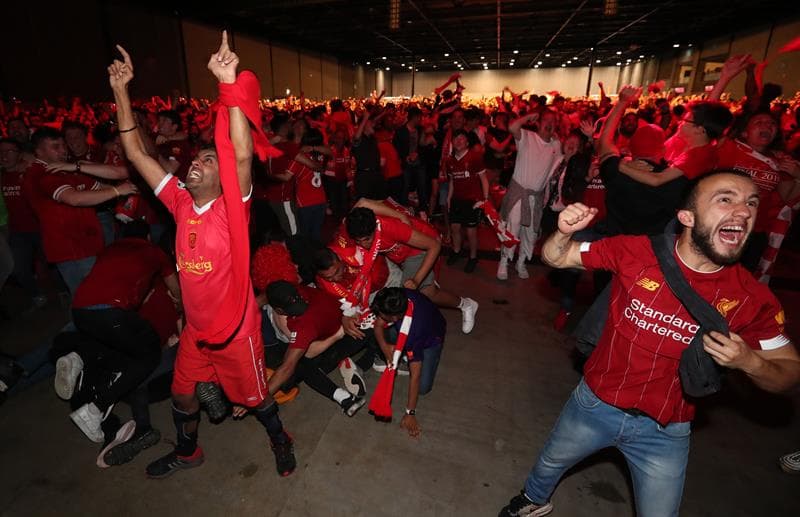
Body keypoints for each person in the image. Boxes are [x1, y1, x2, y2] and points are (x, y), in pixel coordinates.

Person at [499, 171, 800, 517]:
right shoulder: (636, 251)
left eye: (751, 203)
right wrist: (563, 233)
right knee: (550, 461)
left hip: (665, 432)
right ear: (687, 216)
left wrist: (751, 362)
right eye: (725, 199)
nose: (743, 211)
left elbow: (790, 372)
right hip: (594, 404)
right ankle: (533, 499)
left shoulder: (751, 297)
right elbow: (557, 257)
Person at [108, 32, 296, 478]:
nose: (197, 161)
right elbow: (135, 152)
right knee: (181, 397)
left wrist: (228, 88)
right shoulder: (177, 201)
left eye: (209, 159)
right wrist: (120, 90)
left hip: (236, 334)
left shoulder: (231, 212)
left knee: (256, 400)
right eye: (197, 157)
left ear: (222, 173)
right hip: (195, 333)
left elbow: (244, 156)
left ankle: (279, 437)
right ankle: (190, 452)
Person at [64, 219, 181, 444]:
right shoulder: (153, 252)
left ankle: (78, 357)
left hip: (79, 310)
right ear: (147, 237)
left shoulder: (110, 250)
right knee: (149, 356)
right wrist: (180, 304)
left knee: (121, 347)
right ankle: (95, 409)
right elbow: (175, 288)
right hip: (112, 311)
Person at [345, 206, 479, 333]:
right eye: (358, 241)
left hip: (418, 250)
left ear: (375, 228)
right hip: (397, 255)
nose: (363, 244)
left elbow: (434, 246)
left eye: (367, 239)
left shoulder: (392, 228)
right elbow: (362, 202)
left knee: (423, 293)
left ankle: (466, 304)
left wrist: (416, 280)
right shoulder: (353, 226)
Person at [265, 280, 367, 415]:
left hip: (330, 337)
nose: (301, 305)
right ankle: (344, 396)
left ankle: (344, 397)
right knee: (297, 361)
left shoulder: (303, 326)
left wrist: (258, 400)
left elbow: (292, 364)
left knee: (298, 366)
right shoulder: (295, 290)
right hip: (330, 331)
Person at [371, 287, 446, 438]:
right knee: (387, 337)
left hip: (431, 338)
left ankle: (407, 352)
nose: (379, 317)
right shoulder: (396, 297)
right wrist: (385, 349)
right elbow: (378, 325)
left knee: (423, 388)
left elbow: (415, 375)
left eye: (383, 315)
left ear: (394, 318)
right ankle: (402, 351)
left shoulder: (413, 332)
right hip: (413, 325)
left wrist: (410, 413)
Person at [497, 110, 563, 280]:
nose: (549, 124)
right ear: (538, 123)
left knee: (530, 233)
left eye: (553, 121)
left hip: (537, 196)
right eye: (546, 120)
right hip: (519, 193)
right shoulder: (526, 136)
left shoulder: (555, 146)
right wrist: (527, 117)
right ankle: (504, 262)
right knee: (513, 228)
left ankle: (521, 262)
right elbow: (512, 126)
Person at [443, 129, 488, 273]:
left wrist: (485, 200)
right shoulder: (449, 160)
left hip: (472, 201)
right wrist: (449, 198)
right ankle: (456, 252)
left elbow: (484, 179)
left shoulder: (475, 157)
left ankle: (473, 257)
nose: (458, 141)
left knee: (471, 232)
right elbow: (451, 181)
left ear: (467, 142)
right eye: (456, 139)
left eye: (462, 139)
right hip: (456, 199)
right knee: (455, 228)